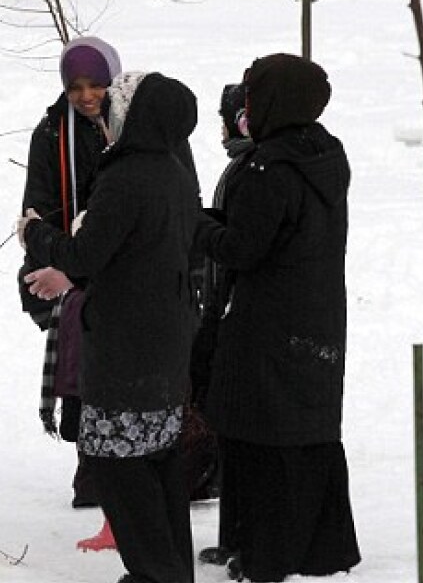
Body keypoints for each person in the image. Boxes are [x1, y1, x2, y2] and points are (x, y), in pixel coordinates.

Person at [18, 71, 201, 583]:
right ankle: (170, 571)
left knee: (120, 466)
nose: (106, 111)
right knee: (159, 460)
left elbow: (85, 254)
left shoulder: (127, 175)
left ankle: (152, 573)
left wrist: (37, 234)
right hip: (164, 346)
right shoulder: (174, 170)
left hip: (126, 349)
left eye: (117, 103)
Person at [195, 54, 360, 582]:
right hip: (317, 318)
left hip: (267, 323)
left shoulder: (269, 167)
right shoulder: (325, 154)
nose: (246, 106)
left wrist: (196, 227)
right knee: (309, 435)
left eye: (253, 94)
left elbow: (243, 248)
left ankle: (264, 554)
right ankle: (319, 548)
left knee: (259, 438)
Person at [20, 36, 120, 515]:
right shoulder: (51, 134)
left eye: (96, 84)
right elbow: (34, 211)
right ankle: (92, 471)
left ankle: (121, 472)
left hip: (120, 270)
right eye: (75, 86)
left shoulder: (133, 127)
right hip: (64, 268)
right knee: (84, 372)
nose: (86, 96)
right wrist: (62, 265)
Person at [191, 82, 255, 568]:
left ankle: (245, 536)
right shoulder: (240, 167)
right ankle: (233, 532)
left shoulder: (254, 169)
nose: (220, 130)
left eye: (225, 119)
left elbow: (237, 243)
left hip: (236, 315)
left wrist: (199, 225)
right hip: (220, 308)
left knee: (240, 432)